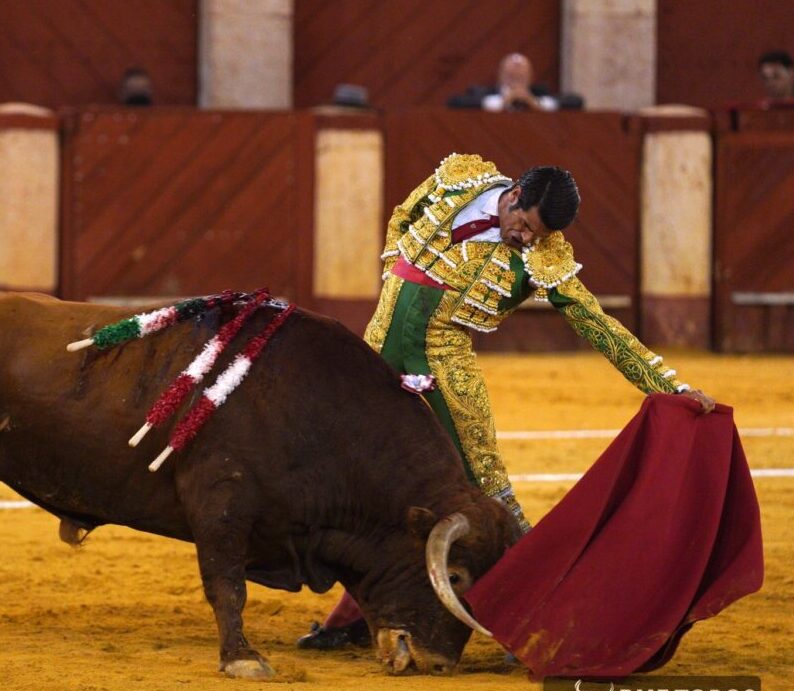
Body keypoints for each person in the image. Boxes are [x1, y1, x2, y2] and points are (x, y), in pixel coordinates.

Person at [297, 152, 715, 650]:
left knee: (489, 490)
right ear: (514, 194)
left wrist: (667, 386)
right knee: (361, 484)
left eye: (537, 235)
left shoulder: (545, 259)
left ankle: (547, 615)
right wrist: (396, 277)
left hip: (446, 363)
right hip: (379, 352)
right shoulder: (459, 179)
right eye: (524, 225)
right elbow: (403, 215)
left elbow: (597, 323)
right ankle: (355, 619)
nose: (526, 238)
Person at [447, 53, 582, 112]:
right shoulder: (484, 93)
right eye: (511, 76)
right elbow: (455, 102)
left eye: (521, 76)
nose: (516, 79)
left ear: (531, 76)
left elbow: (576, 102)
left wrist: (536, 104)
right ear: (500, 75)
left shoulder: (541, 93)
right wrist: (500, 103)